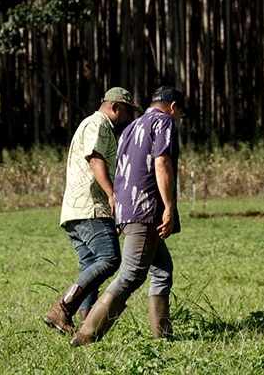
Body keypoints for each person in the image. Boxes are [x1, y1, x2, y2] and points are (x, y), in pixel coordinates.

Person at [72, 85, 183, 346]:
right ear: (173, 107)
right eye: (180, 114)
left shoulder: (130, 128)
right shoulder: (165, 122)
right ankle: (87, 334)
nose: (179, 119)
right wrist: (168, 206)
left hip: (128, 208)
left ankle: (164, 337)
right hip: (146, 209)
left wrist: (119, 210)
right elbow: (162, 162)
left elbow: (120, 170)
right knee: (131, 274)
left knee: (162, 270)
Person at [43, 86, 141, 334]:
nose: (128, 117)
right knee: (109, 258)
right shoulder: (97, 124)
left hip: (75, 211)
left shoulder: (99, 127)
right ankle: (62, 309)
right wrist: (112, 195)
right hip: (90, 207)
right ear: (115, 106)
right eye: (127, 112)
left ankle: (87, 326)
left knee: (91, 265)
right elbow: (96, 159)